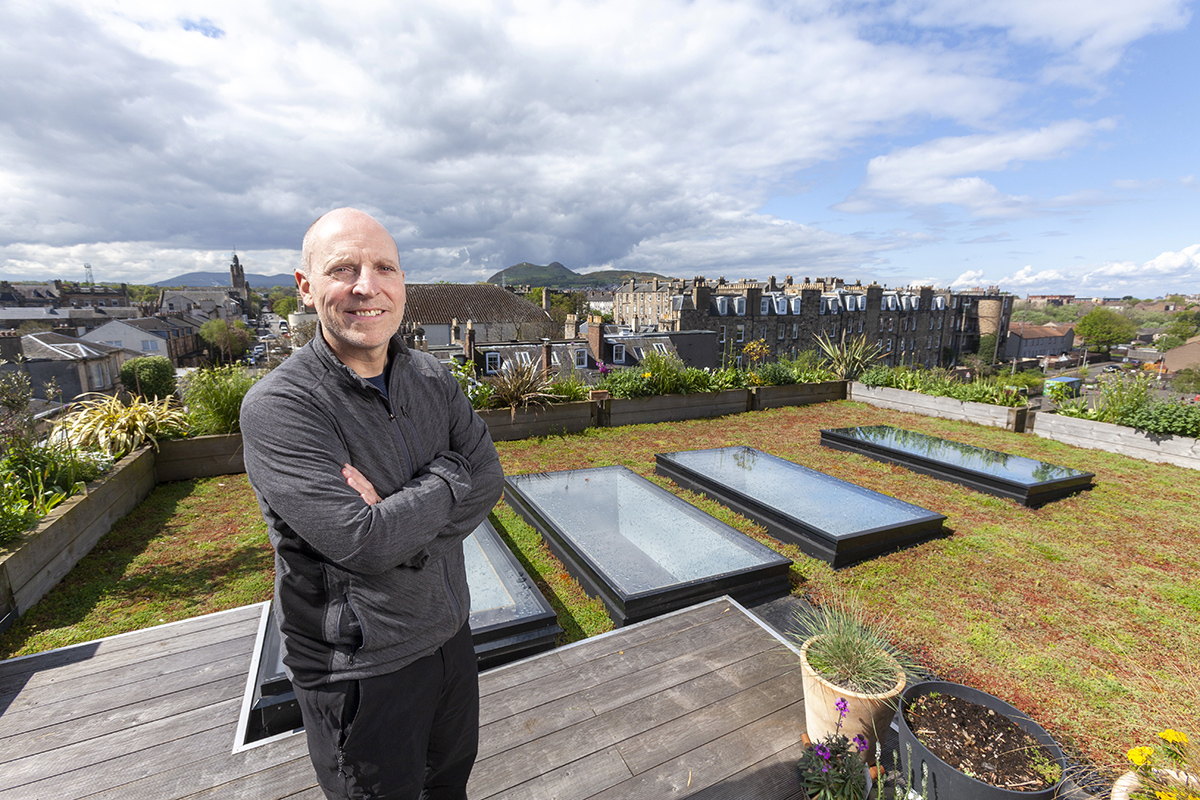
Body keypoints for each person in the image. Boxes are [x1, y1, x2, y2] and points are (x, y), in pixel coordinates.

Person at [240, 208, 504, 799]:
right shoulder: (281, 407)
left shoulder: (433, 379)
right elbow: (364, 542)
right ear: (306, 288)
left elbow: (489, 479)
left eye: (384, 267)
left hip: (448, 636)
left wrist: (397, 515)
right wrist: (445, 476)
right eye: (343, 269)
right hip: (361, 670)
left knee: (449, 789)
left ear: (403, 283)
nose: (367, 286)